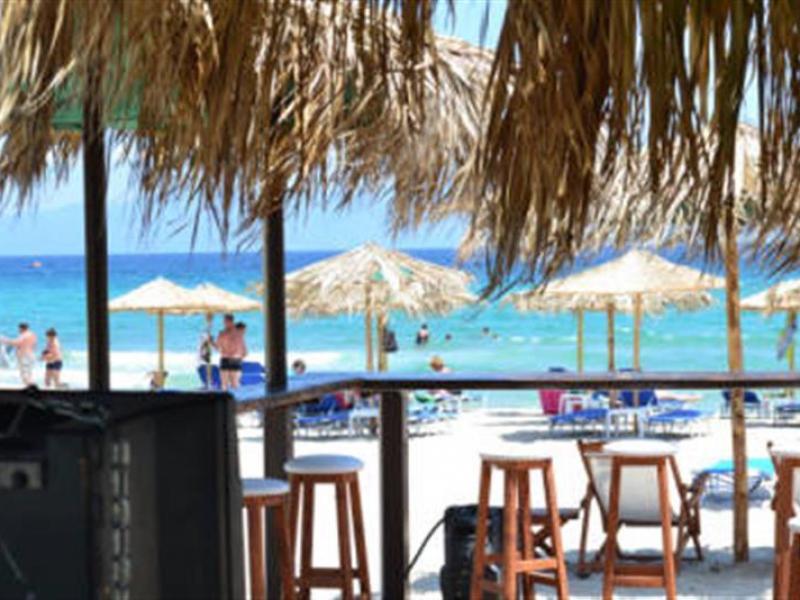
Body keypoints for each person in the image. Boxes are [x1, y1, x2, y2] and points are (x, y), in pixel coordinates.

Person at [215, 314, 244, 390]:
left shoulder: (222, 333)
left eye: (224, 321)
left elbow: (217, 347)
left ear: (228, 321)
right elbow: (241, 347)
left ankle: (228, 397)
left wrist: (211, 341)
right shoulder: (238, 332)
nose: (224, 323)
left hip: (228, 359)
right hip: (234, 359)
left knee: (226, 384)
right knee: (233, 384)